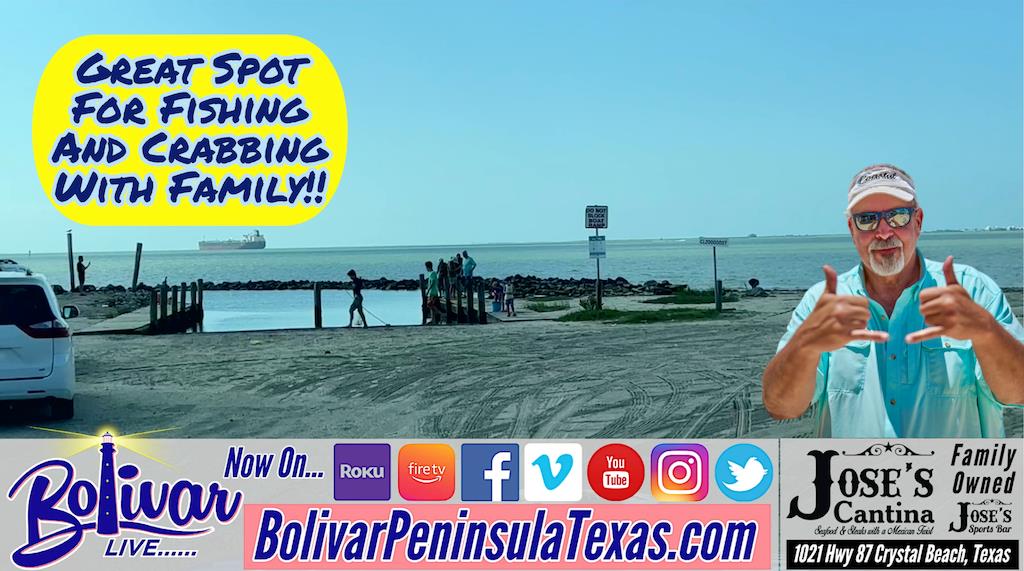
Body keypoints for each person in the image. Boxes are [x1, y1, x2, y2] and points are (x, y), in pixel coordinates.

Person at [762, 164, 1024, 438]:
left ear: (918, 221)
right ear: (852, 229)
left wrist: (986, 332)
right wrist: (805, 345)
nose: (884, 232)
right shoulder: (821, 303)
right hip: (852, 480)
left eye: (898, 216)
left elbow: (1018, 393)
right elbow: (782, 407)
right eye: (867, 219)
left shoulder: (974, 291)